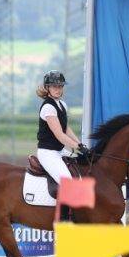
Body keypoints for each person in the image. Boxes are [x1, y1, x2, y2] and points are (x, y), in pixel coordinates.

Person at [34, 71, 86, 217]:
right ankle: (62, 222)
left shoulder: (62, 104)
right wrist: (77, 147)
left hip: (59, 150)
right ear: (47, 88)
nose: (58, 89)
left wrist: (80, 144)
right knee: (67, 183)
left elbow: (66, 128)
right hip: (48, 153)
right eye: (54, 86)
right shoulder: (48, 107)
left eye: (60, 86)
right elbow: (60, 135)